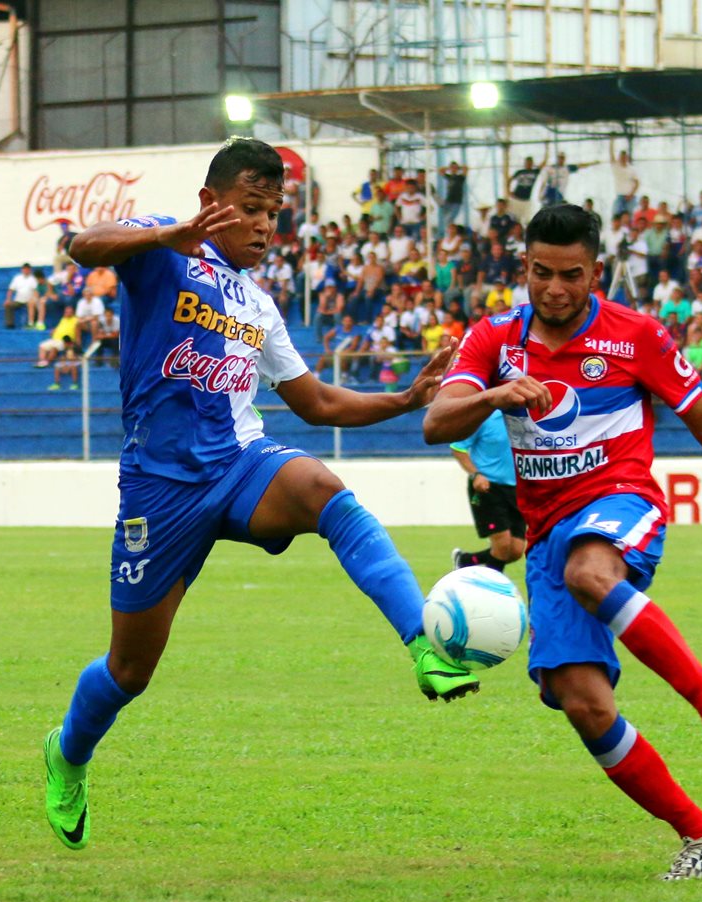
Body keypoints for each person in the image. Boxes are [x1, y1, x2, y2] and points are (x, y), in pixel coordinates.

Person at [42, 137, 472, 852]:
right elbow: (83, 247)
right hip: (160, 487)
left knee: (321, 487)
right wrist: (172, 234)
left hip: (240, 463)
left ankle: (424, 643)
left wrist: (402, 399)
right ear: (210, 204)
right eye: (251, 209)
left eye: (274, 212)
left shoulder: (258, 306)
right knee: (129, 670)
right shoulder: (159, 248)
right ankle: (68, 752)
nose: (267, 226)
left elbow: (317, 405)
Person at [423, 204, 702, 882]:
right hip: (545, 533)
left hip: (619, 502)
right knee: (583, 704)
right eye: (541, 273)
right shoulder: (493, 339)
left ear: (595, 272)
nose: (554, 288)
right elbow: (437, 420)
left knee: (590, 570)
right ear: (524, 268)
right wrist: (494, 395)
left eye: (570, 275)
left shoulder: (636, 336)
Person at [449, 410, 524, 572]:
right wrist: (475, 474)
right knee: (502, 545)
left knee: (516, 550)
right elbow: (458, 448)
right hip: (488, 487)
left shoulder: (522, 418)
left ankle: (465, 560)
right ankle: (492, 589)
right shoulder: (482, 418)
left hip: (517, 489)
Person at [4, 263, 41, 329]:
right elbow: (11, 290)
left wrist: (34, 299)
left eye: (27, 269)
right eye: (24, 269)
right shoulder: (17, 278)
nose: (26, 270)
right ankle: (10, 324)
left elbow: (36, 291)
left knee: (34, 304)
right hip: (18, 300)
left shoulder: (33, 279)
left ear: (30, 270)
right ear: (22, 270)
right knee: (8, 305)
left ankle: (32, 323)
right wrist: (8, 299)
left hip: (29, 301)